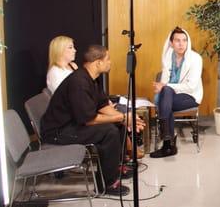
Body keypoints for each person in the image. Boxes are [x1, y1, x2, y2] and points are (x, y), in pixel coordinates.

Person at [40, 45, 145, 196]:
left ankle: (117, 166)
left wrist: (125, 119)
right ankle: (107, 184)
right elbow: (88, 119)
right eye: (107, 59)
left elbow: (103, 106)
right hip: (58, 131)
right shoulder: (79, 83)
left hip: (73, 124)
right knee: (109, 131)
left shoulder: (90, 79)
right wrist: (122, 117)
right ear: (98, 63)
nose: (110, 62)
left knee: (116, 124)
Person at [150, 27, 203, 158]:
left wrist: (164, 86)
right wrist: (162, 87)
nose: (181, 44)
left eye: (184, 40)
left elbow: (191, 86)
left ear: (188, 42)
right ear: (171, 42)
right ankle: (169, 143)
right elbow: (164, 80)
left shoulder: (196, 58)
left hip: (190, 96)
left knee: (165, 98)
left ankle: (167, 141)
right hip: (170, 96)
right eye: (177, 40)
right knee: (166, 94)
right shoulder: (168, 55)